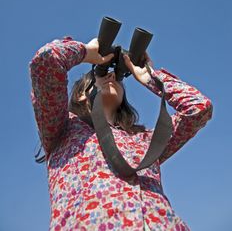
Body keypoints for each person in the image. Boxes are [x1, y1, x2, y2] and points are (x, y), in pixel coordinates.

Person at [29, 35, 213, 231]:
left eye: (117, 76)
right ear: (81, 94)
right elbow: (46, 61)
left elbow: (198, 108)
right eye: (99, 75)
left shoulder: (144, 139)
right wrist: (87, 52)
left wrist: (151, 77)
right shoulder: (62, 129)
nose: (110, 77)